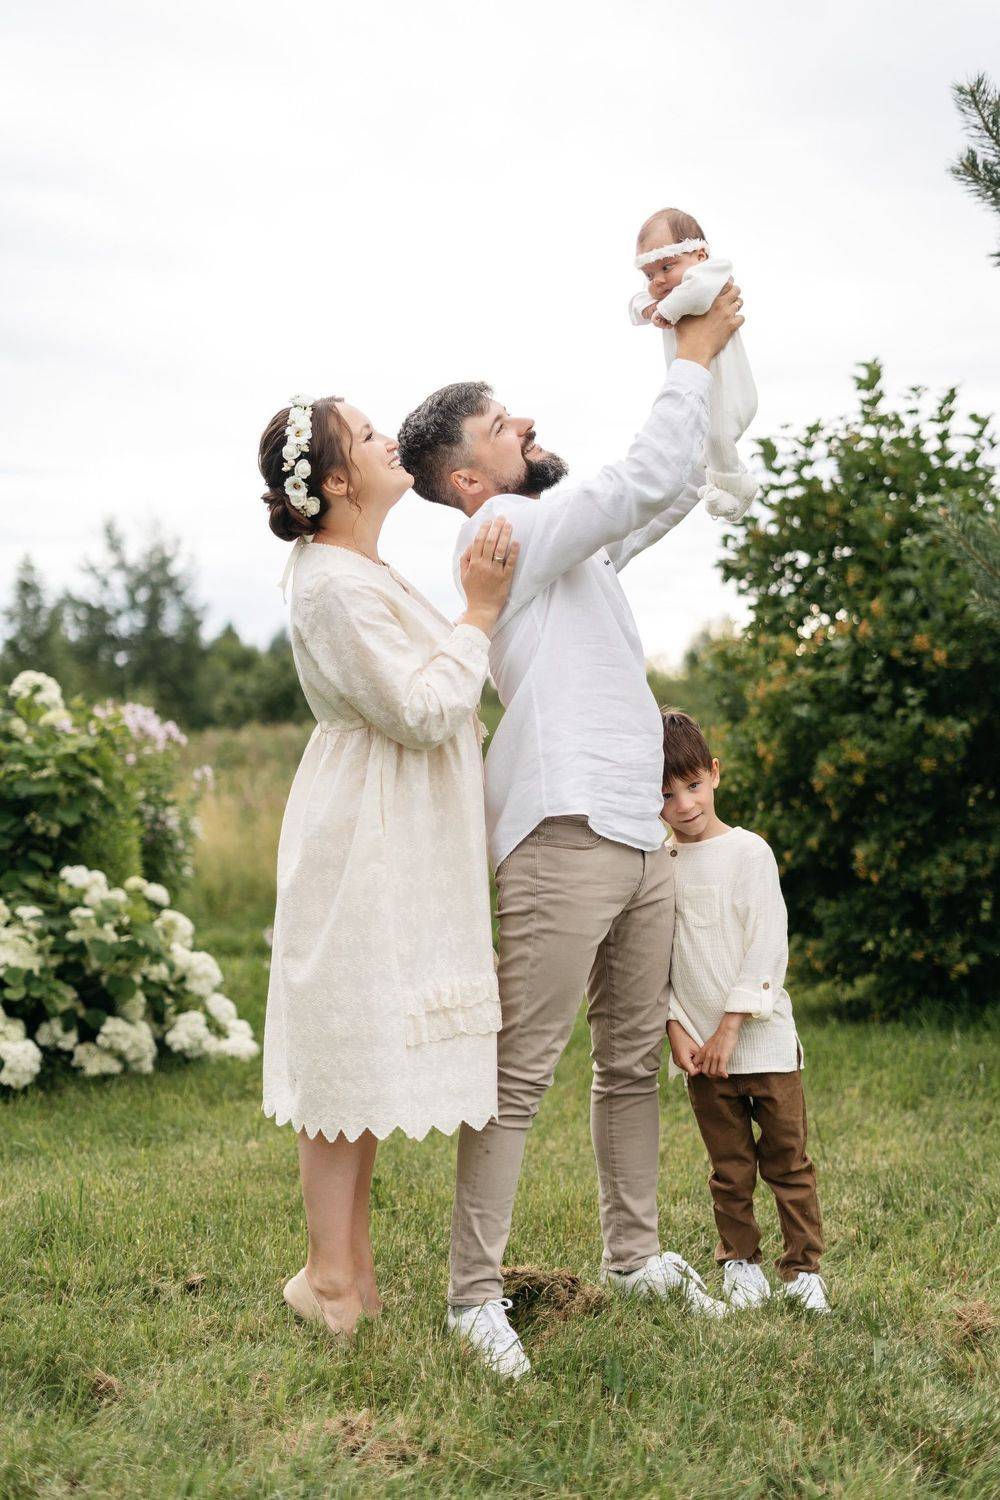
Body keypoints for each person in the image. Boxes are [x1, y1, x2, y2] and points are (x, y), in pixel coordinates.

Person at [396, 277, 743, 1378]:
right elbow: (638, 477)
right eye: (504, 425)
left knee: (630, 1063)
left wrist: (694, 350)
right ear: (468, 479)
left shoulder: (561, 547)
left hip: (636, 830)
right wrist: (692, 353)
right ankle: (471, 1298)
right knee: (523, 1069)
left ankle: (632, 1258)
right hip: (560, 829)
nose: (528, 425)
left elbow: (664, 489)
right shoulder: (504, 530)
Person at [257, 392, 519, 1339]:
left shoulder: (360, 567)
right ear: (336, 481)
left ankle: (351, 1272)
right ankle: (328, 1277)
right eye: (368, 436)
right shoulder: (331, 584)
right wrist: (479, 612)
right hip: (359, 834)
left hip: (396, 829)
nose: (389, 439)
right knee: (345, 1045)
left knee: (366, 1043)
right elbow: (419, 709)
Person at [659, 708, 829, 1313]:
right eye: (666, 795)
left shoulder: (749, 853)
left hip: (764, 1044)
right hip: (702, 1055)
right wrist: (676, 1028)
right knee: (729, 1168)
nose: (684, 805)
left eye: (692, 785)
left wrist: (731, 1025)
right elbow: (656, 958)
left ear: (714, 773)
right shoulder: (659, 865)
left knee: (787, 1162)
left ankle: (802, 1270)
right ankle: (740, 1262)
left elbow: (767, 945)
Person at [629, 206, 758, 521]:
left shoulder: (712, 273)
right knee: (697, 448)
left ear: (700, 255)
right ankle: (722, 481)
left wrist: (665, 310)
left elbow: (697, 295)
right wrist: (651, 309)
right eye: (649, 275)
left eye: (666, 266)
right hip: (699, 390)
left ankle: (734, 487)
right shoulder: (669, 294)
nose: (658, 280)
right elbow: (634, 305)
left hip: (728, 391)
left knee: (717, 437)